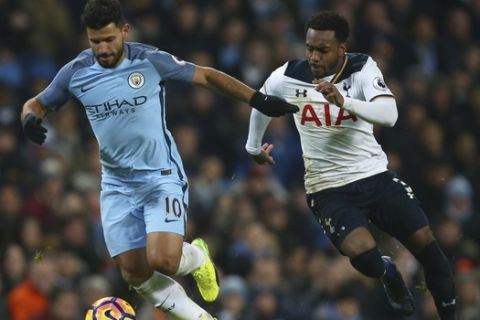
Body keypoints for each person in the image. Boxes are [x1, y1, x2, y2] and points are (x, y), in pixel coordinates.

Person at [20, 1, 299, 319]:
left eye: (109, 39)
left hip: (159, 174)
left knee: (164, 260)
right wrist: (30, 121)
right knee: (134, 272)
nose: (103, 48)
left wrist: (257, 99)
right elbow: (35, 104)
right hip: (115, 184)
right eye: (95, 41)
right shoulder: (76, 72)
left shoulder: (149, 60)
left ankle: (196, 257)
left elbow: (206, 77)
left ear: (124, 31)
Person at [245, 11, 456, 320]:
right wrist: (253, 146)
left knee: (429, 249)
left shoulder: (361, 68)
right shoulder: (288, 75)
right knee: (365, 257)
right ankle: (387, 272)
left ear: (341, 48)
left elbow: (390, 115)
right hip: (327, 188)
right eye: (310, 48)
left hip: (375, 176)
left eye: (323, 50)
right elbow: (261, 101)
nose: (314, 56)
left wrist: (344, 102)